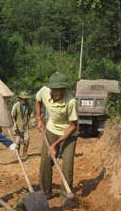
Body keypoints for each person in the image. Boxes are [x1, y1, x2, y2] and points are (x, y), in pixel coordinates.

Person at [35, 72, 78, 200]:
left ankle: (66, 196)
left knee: (67, 166)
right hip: (51, 130)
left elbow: (73, 126)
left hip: (69, 133)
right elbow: (37, 101)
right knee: (45, 162)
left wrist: (55, 144)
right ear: (51, 88)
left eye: (61, 90)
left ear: (65, 89)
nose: (58, 93)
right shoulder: (44, 91)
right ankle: (45, 192)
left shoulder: (71, 102)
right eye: (55, 90)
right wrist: (38, 118)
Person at [11, 91, 32, 160]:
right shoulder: (16, 105)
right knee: (18, 141)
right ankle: (18, 155)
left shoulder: (28, 105)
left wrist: (31, 122)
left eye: (26, 99)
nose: (25, 100)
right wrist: (14, 125)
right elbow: (12, 116)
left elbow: (30, 114)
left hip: (25, 126)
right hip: (18, 126)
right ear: (20, 99)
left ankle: (24, 154)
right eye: (23, 99)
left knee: (27, 140)